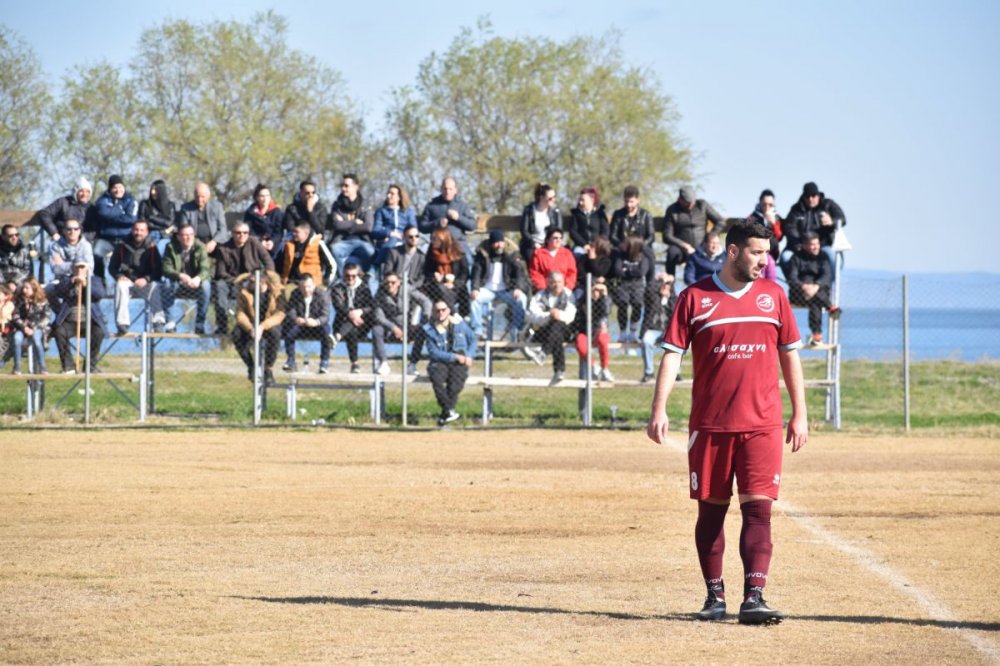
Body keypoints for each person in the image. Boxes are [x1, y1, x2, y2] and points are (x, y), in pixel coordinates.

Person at [646, 219, 808, 626]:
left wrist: (800, 414)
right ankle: (713, 597)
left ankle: (754, 596)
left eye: (767, 252)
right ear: (732, 251)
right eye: (756, 252)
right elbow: (672, 355)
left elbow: (790, 355)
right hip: (712, 427)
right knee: (711, 514)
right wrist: (658, 408)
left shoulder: (774, 296)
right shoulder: (694, 297)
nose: (763, 260)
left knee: (759, 513)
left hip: (763, 425)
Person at [422, 299, 477, 426]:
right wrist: (454, 357)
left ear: (449, 311)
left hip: (460, 361)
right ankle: (449, 410)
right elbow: (433, 352)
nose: (440, 313)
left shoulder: (460, 324)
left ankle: (445, 414)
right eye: (437, 311)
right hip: (440, 361)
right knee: (437, 379)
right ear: (433, 313)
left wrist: (469, 355)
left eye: (443, 310)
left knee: (456, 382)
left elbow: (473, 339)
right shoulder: (430, 329)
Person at [214, 221, 275, 334]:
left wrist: (263, 278)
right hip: (232, 282)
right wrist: (239, 280)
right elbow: (220, 272)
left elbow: (269, 263)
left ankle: (259, 323)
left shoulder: (255, 243)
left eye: (245, 233)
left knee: (264, 288)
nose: (242, 235)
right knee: (219, 286)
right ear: (232, 233)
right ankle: (222, 326)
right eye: (238, 233)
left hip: (253, 280)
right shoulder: (223, 249)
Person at [469, 230, 529, 340]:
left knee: (522, 299)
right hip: (487, 290)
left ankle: (516, 331)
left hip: (506, 290)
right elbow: (476, 274)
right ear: (491, 243)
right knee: (474, 299)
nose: (499, 245)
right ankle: (477, 330)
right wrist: (475, 289)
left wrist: (518, 288)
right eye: (496, 242)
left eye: (501, 242)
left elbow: (520, 274)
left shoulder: (512, 255)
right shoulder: (482, 255)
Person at [108, 220, 165, 335]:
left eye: (141, 230)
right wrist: (119, 276)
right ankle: (122, 324)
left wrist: (146, 279)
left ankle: (158, 322)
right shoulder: (122, 245)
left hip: (145, 283)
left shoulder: (152, 247)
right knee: (120, 285)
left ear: (147, 232)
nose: (138, 233)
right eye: (136, 229)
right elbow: (112, 267)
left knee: (155, 287)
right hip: (128, 281)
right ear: (132, 230)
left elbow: (158, 270)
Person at [785, 232, 841, 345]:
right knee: (816, 300)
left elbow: (827, 275)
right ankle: (830, 306)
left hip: (818, 291)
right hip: (800, 293)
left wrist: (816, 286)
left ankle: (816, 335)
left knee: (815, 303)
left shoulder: (824, 257)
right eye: (812, 244)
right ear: (805, 245)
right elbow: (792, 277)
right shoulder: (796, 258)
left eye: (817, 243)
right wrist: (804, 286)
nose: (816, 246)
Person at [232, 270, 286, 385]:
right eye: (249, 281)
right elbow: (240, 314)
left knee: (275, 333)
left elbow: (280, 314)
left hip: (268, 324)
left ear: (263, 281)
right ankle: (251, 366)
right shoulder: (244, 293)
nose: (249, 283)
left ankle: (268, 369)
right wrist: (250, 328)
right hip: (251, 325)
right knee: (236, 334)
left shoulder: (277, 291)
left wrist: (262, 326)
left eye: (252, 281)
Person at [52, 261, 107, 374]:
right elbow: (58, 291)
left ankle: (90, 366)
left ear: (87, 269)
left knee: (99, 332)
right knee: (59, 331)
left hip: (88, 322)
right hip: (70, 322)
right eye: (77, 268)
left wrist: (86, 284)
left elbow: (100, 294)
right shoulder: (65, 280)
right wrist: (71, 283)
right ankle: (68, 366)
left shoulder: (95, 280)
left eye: (82, 268)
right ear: (72, 269)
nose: (80, 270)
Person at [523, 271, 577, 384]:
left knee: (557, 326)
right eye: (553, 282)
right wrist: (549, 316)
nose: (556, 285)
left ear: (563, 283)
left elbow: (571, 316)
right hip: (544, 330)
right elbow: (530, 315)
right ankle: (559, 371)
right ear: (548, 282)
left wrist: (559, 315)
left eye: (559, 282)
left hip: (565, 329)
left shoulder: (569, 295)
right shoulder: (540, 295)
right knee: (556, 332)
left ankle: (543, 353)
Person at [781, 181, 846, 272]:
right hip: (800, 246)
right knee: (785, 257)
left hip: (824, 245)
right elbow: (789, 228)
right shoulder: (796, 209)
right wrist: (801, 245)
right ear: (804, 197)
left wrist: (831, 221)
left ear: (818, 195)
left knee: (833, 257)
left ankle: (831, 285)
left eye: (813, 195)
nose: (811, 199)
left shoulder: (828, 204)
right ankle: (795, 285)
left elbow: (842, 219)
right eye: (808, 196)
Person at [371, 272, 426, 376]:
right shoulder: (380, 294)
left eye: (393, 282)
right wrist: (393, 328)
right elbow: (379, 316)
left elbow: (425, 301)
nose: (390, 285)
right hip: (389, 329)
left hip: (407, 326)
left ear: (399, 283)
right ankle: (384, 363)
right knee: (376, 329)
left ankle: (412, 365)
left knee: (421, 331)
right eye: (387, 282)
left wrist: (425, 318)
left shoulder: (407, 289)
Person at [663, 186, 725, 277]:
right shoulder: (672, 210)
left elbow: (720, 221)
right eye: (687, 203)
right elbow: (667, 235)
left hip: (702, 247)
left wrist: (711, 235)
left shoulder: (702, 205)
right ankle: (669, 283)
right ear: (680, 200)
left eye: (692, 202)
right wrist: (684, 246)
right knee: (672, 253)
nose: (690, 205)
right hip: (681, 249)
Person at [161, 224, 212, 333]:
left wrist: (198, 278)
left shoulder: (200, 247)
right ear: (178, 237)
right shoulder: (170, 247)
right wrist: (180, 275)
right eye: (184, 235)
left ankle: (199, 323)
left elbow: (205, 268)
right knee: (167, 283)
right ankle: (170, 323)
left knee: (206, 285)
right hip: (177, 282)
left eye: (191, 235)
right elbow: (166, 268)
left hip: (195, 283)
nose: (188, 238)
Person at [88, 175, 139, 282]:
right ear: (110, 189)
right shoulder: (102, 200)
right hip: (106, 239)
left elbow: (131, 219)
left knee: (131, 259)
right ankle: (100, 282)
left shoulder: (131, 201)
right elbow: (103, 213)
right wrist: (120, 210)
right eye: (115, 187)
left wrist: (110, 218)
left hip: (125, 239)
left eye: (120, 187)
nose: (118, 190)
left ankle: (129, 282)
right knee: (96, 254)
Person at [329, 262, 375, 374]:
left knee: (353, 328)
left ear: (358, 275)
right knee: (352, 330)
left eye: (353, 276)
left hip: (362, 324)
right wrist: (351, 315)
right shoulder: (337, 288)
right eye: (347, 276)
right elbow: (338, 307)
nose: (350, 278)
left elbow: (371, 306)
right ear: (343, 275)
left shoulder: (364, 287)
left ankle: (337, 337)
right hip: (342, 322)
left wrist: (360, 311)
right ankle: (355, 364)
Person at [327, 173, 375, 278]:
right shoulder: (337, 205)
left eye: (346, 186)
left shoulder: (366, 204)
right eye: (342, 186)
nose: (343, 188)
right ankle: (343, 279)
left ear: (356, 187)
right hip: (342, 241)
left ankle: (364, 277)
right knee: (334, 250)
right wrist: (355, 223)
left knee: (370, 252)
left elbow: (368, 226)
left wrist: (345, 224)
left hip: (362, 241)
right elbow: (337, 225)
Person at [282, 273, 331, 373]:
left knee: (327, 332)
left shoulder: (322, 295)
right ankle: (291, 360)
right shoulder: (295, 293)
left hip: (316, 325)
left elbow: (325, 315)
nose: (306, 290)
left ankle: (324, 362)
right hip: (300, 325)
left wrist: (316, 322)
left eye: (308, 286)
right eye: (303, 287)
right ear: (299, 286)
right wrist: (296, 319)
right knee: (289, 332)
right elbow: (290, 310)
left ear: (313, 285)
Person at [419, 176, 477, 261]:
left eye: (450, 189)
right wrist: (437, 223)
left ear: (455, 190)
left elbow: (472, 225)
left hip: (459, 244)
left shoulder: (463, 205)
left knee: (469, 262)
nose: (447, 192)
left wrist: (458, 218)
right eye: (445, 189)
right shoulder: (432, 206)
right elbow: (422, 226)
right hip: (438, 246)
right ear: (441, 189)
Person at [45, 219, 94, 311]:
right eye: (69, 229)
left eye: (76, 229)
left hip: (82, 280)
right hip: (61, 281)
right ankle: (60, 314)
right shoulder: (54, 246)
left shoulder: (86, 245)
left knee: (93, 291)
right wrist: (77, 266)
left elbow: (89, 268)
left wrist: (64, 264)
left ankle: (92, 319)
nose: (72, 232)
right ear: (63, 231)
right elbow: (55, 268)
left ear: (80, 231)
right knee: (48, 290)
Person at [612, 236, 652, 343]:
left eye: (626, 244)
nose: (623, 245)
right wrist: (633, 271)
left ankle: (633, 332)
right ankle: (623, 332)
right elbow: (617, 270)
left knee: (637, 304)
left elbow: (641, 272)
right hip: (623, 285)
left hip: (637, 286)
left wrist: (627, 270)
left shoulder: (643, 257)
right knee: (622, 305)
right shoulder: (620, 256)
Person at [423, 227, 470, 317]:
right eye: (431, 238)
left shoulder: (458, 254)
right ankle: (454, 313)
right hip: (436, 288)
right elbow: (426, 271)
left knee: (461, 290)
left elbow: (464, 274)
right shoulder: (431, 253)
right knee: (440, 288)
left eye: (434, 239)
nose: (432, 241)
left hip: (455, 287)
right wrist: (434, 275)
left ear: (443, 240)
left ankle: (456, 314)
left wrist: (454, 284)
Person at [639, 273, 677, 383]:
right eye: (663, 285)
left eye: (668, 285)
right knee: (646, 341)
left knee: (676, 343)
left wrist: (669, 294)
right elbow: (649, 290)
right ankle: (649, 372)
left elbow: (675, 312)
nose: (665, 287)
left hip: (668, 331)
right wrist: (660, 280)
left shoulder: (673, 300)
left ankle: (675, 373)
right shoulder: (652, 298)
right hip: (652, 330)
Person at [573, 277, 613, 381]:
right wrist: (590, 297)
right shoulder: (583, 300)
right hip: (584, 332)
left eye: (599, 291)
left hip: (598, 332)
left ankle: (605, 368)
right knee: (580, 342)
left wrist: (604, 295)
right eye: (594, 290)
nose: (596, 293)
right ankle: (594, 366)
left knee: (603, 340)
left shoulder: (605, 300)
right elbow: (578, 318)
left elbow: (606, 312)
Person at [371, 184, 417, 268]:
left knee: (396, 240)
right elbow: (375, 231)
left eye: (392, 194)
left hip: (404, 242)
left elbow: (413, 229)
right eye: (388, 193)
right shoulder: (381, 211)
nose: (388, 196)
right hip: (386, 243)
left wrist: (403, 236)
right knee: (393, 239)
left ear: (399, 197)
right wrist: (390, 233)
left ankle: (376, 264)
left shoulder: (408, 212)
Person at [10, 278, 50, 374]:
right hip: (22, 328)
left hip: (37, 328)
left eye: (27, 288)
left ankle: (42, 366)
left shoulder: (43, 301)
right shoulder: (20, 301)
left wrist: (35, 327)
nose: (24, 290)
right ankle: (17, 367)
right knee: (17, 339)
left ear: (34, 288)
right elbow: (15, 316)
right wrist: (24, 327)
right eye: (24, 288)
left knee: (37, 340)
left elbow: (47, 317)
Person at [35, 177, 92, 242]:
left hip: (82, 244)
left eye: (87, 192)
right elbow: (44, 214)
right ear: (76, 192)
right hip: (61, 241)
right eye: (81, 191)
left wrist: (79, 239)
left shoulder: (91, 208)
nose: (84, 194)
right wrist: (54, 233)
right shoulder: (62, 202)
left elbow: (94, 230)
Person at [519, 182, 562, 265]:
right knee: (533, 258)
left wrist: (549, 244)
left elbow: (558, 231)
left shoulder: (555, 211)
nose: (553, 200)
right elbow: (524, 230)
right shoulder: (529, 210)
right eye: (550, 198)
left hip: (549, 243)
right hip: (532, 244)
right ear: (541, 197)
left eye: (554, 197)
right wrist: (534, 244)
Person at [281, 220, 332, 286]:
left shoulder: (317, 243)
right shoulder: (288, 244)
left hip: (313, 283)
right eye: (293, 231)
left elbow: (331, 265)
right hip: (293, 282)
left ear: (306, 232)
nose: (293, 234)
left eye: (296, 232)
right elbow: (280, 262)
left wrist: (325, 282)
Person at [528, 227, 577, 293]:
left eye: (560, 238)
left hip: (564, 289)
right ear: (548, 240)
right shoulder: (538, 254)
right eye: (555, 238)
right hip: (544, 289)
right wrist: (543, 288)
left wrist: (566, 288)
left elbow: (572, 273)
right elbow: (535, 273)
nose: (558, 240)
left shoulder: (567, 254)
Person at [243, 183, 285, 259]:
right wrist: (260, 241)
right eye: (262, 196)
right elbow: (249, 230)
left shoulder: (277, 211)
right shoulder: (250, 212)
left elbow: (279, 232)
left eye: (267, 196)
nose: (265, 199)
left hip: (273, 245)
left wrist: (272, 241)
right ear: (257, 197)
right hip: (256, 243)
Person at [568, 187, 609, 255]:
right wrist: (584, 245)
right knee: (577, 254)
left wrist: (598, 244)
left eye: (583, 200)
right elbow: (573, 232)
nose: (580, 203)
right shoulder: (576, 214)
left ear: (592, 200)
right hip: (581, 246)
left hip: (599, 245)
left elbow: (605, 230)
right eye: (579, 200)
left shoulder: (600, 214)